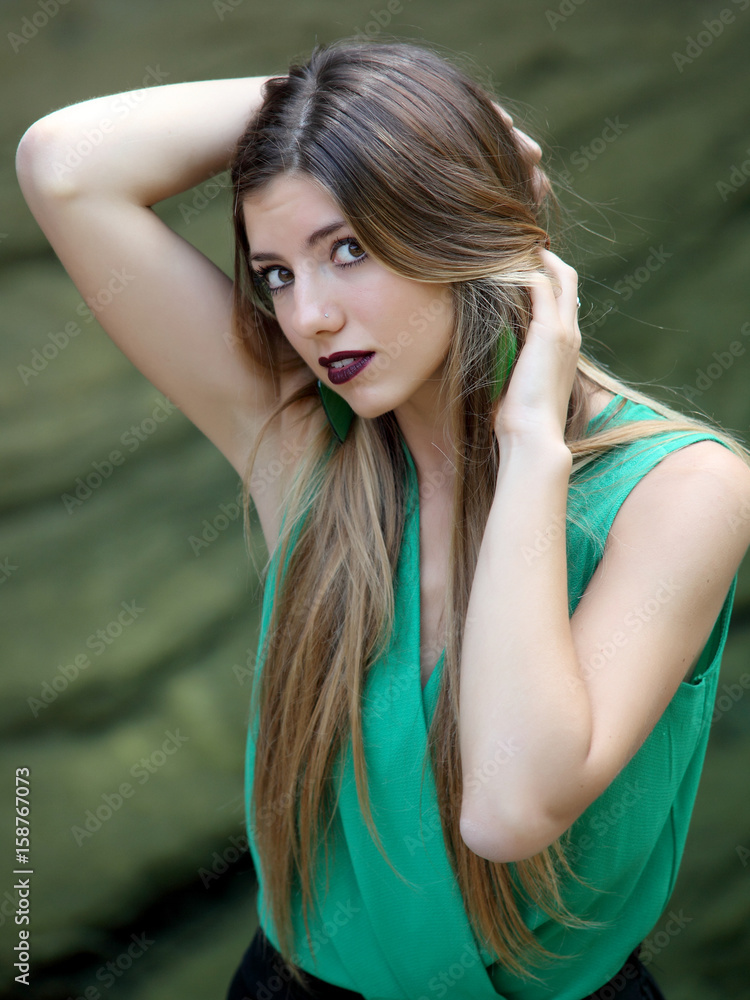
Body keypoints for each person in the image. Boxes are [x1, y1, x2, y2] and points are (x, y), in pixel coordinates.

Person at [16, 35, 750, 1000]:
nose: (308, 317)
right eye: (276, 273)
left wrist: (531, 450)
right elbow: (64, 166)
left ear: (457, 222)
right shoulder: (309, 449)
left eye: (347, 251)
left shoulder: (684, 492)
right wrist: (367, 107)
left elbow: (507, 810)